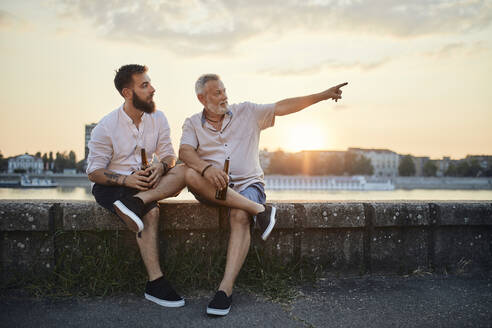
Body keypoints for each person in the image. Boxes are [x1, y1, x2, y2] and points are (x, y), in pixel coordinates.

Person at [179, 73, 347, 316]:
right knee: (190, 174)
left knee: (238, 215)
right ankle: (260, 211)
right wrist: (207, 168)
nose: (224, 95)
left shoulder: (247, 111)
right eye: (217, 92)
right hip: (213, 187)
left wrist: (321, 96)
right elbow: (184, 152)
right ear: (201, 98)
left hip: (248, 185)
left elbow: (282, 106)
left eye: (224, 90)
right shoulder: (193, 122)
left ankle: (224, 290)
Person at [86, 64, 186, 308]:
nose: (153, 89)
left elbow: (169, 155)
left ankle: (135, 202)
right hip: (113, 186)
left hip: (146, 183)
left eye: (150, 83)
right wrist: (125, 180)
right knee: (151, 212)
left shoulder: (158, 117)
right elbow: (94, 172)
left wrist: (160, 167)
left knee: (184, 171)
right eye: (145, 85)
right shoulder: (106, 127)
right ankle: (156, 283)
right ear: (127, 93)